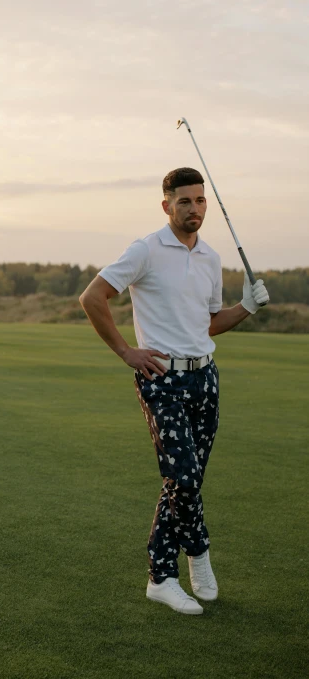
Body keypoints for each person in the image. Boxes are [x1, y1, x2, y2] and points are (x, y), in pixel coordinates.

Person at [79, 167, 270, 615]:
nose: (195, 209)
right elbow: (92, 297)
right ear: (166, 205)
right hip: (161, 380)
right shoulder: (146, 249)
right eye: (184, 201)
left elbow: (208, 323)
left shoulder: (209, 258)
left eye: (200, 201)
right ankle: (195, 555)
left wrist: (246, 307)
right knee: (183, 476)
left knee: (185, 480)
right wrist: (127, 351)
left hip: (205, 377)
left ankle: (161, 578)